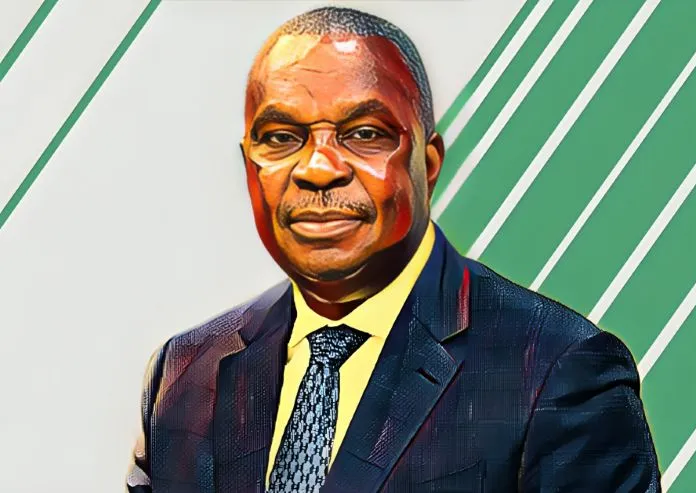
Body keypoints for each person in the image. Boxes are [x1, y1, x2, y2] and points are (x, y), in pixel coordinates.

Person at [126, 6, 660, 493]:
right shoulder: (185, 373)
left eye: (364, 133)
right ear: (249, 166)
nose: (318, 169)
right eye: (282, 137)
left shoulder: (558, 371)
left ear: (428, 164)